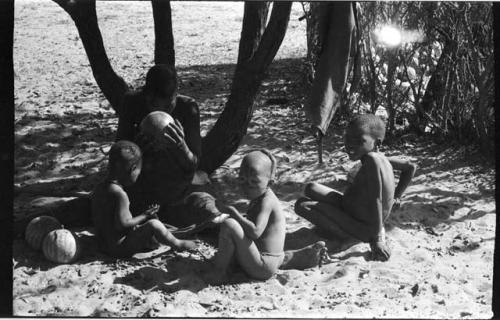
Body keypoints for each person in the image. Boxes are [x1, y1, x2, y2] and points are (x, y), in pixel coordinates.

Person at [295, 114, 417, 261]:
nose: (350, 145)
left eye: (359, 141)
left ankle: (348, 236)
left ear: (377, 143)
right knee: (311, 188)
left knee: (302, 205)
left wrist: (377, 237)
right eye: (347, 139)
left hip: (362, 224)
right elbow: (410, 167)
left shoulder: (372, 161)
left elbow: (376, 200)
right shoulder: (380, 158)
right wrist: (397, 196)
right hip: (352, 207)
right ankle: (355, 229)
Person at [117, 64, 223, 231]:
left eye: (167, 106)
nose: (160, 110)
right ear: (146, 96)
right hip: (141, 193)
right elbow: (118, 161)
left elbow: (193, 164)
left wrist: (181, 147)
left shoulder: (187, 109)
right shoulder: (132, 104)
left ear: (176, 94)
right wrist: (136, 151)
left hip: (176, 192)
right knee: (105, 202)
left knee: (207, 208)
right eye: (153, 105)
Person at [205, 150, 326, 284]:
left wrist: (232, 212)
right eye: (242, 179)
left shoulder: (266, 201)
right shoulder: (259, 197)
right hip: (274, 257)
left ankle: (219, 272)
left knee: (230, 225)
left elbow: (255, 232)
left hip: (263, 265)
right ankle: (297, 257)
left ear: (270, 183)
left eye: (253, 181)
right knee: (235, 229)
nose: (247, 186)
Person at [90, 140, 198, 257]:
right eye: (138, 172)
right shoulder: (120, 194)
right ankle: (178, 244)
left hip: (101, 245)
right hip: (119, 248)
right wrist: (145, 215)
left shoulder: (99, 188)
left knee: (146, 228)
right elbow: (123, 224)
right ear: (133, 169)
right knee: (154, 224)